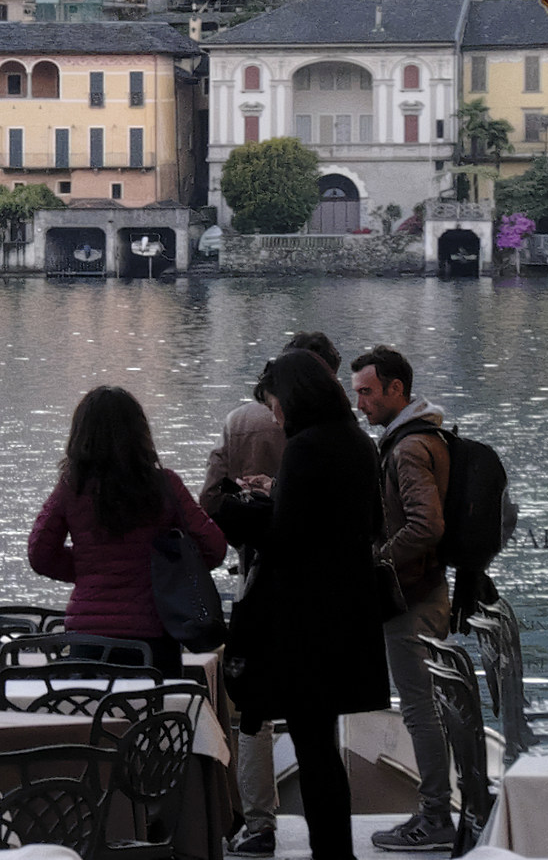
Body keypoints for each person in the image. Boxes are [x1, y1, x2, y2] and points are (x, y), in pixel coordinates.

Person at [214, 351, 390, 860]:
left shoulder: (306, 447)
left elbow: (287, 534)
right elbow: (364, 522)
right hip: (348, 613)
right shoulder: (357, 443)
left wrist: (237, 513)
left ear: (291, 398)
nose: (274, 416)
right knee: (322, 745)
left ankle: (331, 853)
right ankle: (336, 851)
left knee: (314, 751)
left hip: (307, 621)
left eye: (274, 404)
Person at [200, 332, 342, 857]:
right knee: (322, 705)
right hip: (323, 585)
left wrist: (245, 513)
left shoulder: (241, 422)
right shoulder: (340, 431)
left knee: (252, 702)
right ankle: (333, 827)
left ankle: (259, 823)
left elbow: (211, 498)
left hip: (256, 577)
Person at [27, 385, 225, 673]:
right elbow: (214, 546)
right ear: (140, 434)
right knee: (155, 715)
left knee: (92, 715)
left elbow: (40, 555)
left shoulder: (72, 488)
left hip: (88, 635)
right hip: (153, 637)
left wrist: (89, 569)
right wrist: (168, 571)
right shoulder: (165, 486)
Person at [352, 345, 454, 852]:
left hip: (410, 597)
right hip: (427, 590)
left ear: (397, 390)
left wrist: (378, 562)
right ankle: (443, 810)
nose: (361, 405)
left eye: (368, 393)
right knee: (429, 706)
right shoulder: (424, 436)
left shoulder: (408, 448)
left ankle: (436, 817)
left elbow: (426, 523)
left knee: (419, 710)